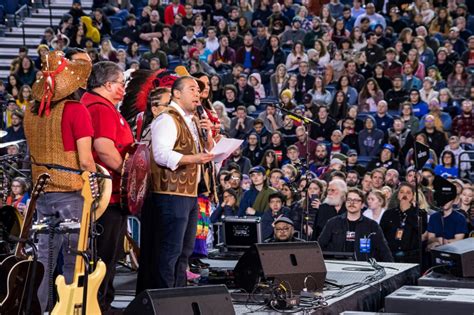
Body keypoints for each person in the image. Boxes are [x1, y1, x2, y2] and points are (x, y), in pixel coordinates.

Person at [23, 50, 95, 313]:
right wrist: (101, 176)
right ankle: (68, 309)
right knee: (73, 257)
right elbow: (86, 160)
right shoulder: (76, 110)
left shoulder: (30, 111)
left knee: (44, 255)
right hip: (69, 192)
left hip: (42, 193)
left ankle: (39, 308)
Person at [137, 76, 215, 292]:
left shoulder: (193, 121)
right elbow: (161, 154)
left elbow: (206, 153)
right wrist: (195, 159)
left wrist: (208, 139)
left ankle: (178, 296)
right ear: (177, 94)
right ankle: (164, 299)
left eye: (199, 90)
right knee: (169, 251)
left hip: (189, 194)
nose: (198, 94)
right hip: (170, 194)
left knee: (184, 252)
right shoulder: (167, 119)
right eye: (192, 89)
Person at [81, 61, 134, 311]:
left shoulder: (98, 105)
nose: (124, 88)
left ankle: (101, 303)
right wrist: (131, 174)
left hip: (108, 193)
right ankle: (100, 305)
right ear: (108, 84)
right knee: (105, 255)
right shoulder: (100, 108)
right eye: (121, 83)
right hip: (107, 195)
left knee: (107, 255)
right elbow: (104, 149)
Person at [319, 188, 393, 262]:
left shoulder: (372, 226)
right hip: (338, 266)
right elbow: (319, 246)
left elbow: (384, 250)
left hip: (363, 268)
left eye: (356, 201)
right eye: (349, 200)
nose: (352, 203)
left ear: (362, 205)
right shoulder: (333, 223)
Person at [380, 183, 428, 263]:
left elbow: (421, 230)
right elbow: (381, 234)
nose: (404, 195)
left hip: (412, 257)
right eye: (401, 192)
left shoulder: (420, 213)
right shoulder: (388, 213)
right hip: (391, 256)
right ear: (398, 195)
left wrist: (408, 212)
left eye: (408, 192)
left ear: (413, 196)